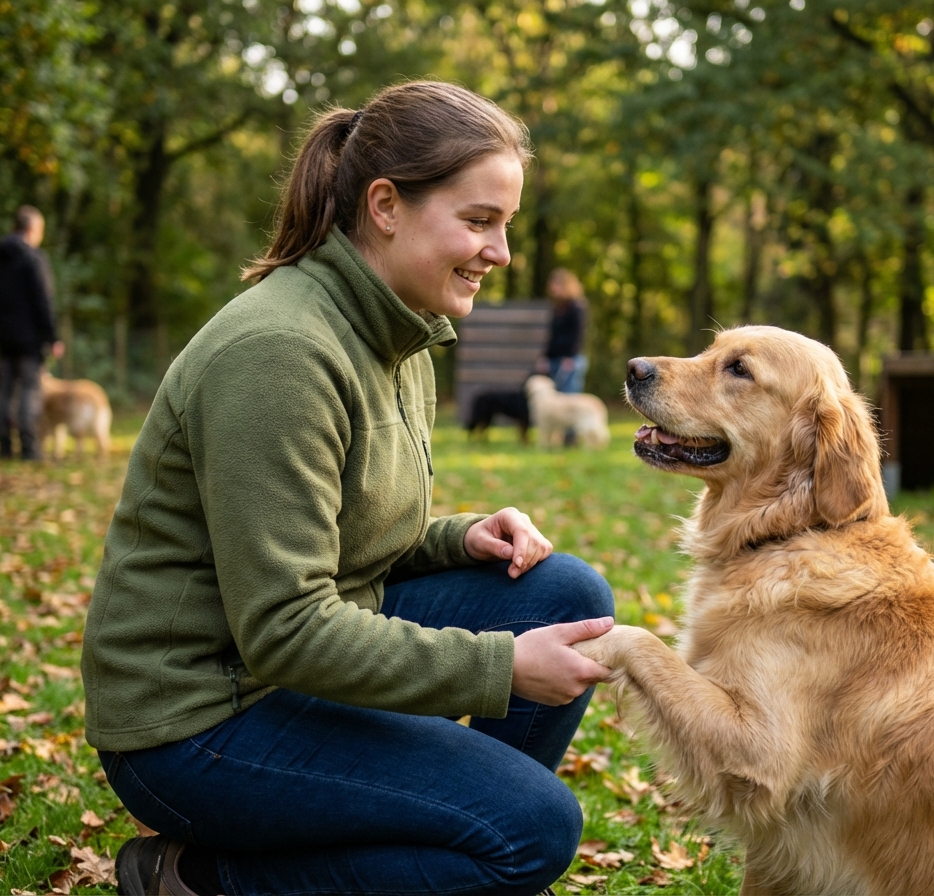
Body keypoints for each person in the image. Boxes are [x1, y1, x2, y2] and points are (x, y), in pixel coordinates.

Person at [82, 81, 616, 896]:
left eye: (506, 226)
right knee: (535, 830)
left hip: (289, 668)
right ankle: (196, 877)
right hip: (197, 726)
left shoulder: (400, 337)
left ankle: (454, 843)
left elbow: (346, 538)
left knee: (565, 595)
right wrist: (499, 666)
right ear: (385, 205)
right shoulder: (278, 353)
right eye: (478, 222)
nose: (501, 253)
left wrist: (456, 536)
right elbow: (287, 626)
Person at [0, 205, 63, 459]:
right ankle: (29, 448)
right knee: (30, 390)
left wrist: (2, 321)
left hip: (4, 337)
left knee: (5, 390)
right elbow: (43, 301)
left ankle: (4, 445)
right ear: (33, 229)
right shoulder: (33, 258)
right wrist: (52, 336)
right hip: (30, 340)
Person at [537, 268, 588, 394]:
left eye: (556, 285)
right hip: (555, 360)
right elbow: (553, 336)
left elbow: (577, 335)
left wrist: (569, 357)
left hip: (570, 361)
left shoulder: (576, 308)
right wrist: (545, 358)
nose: (553, 289)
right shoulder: (557, 308)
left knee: (568, 398)